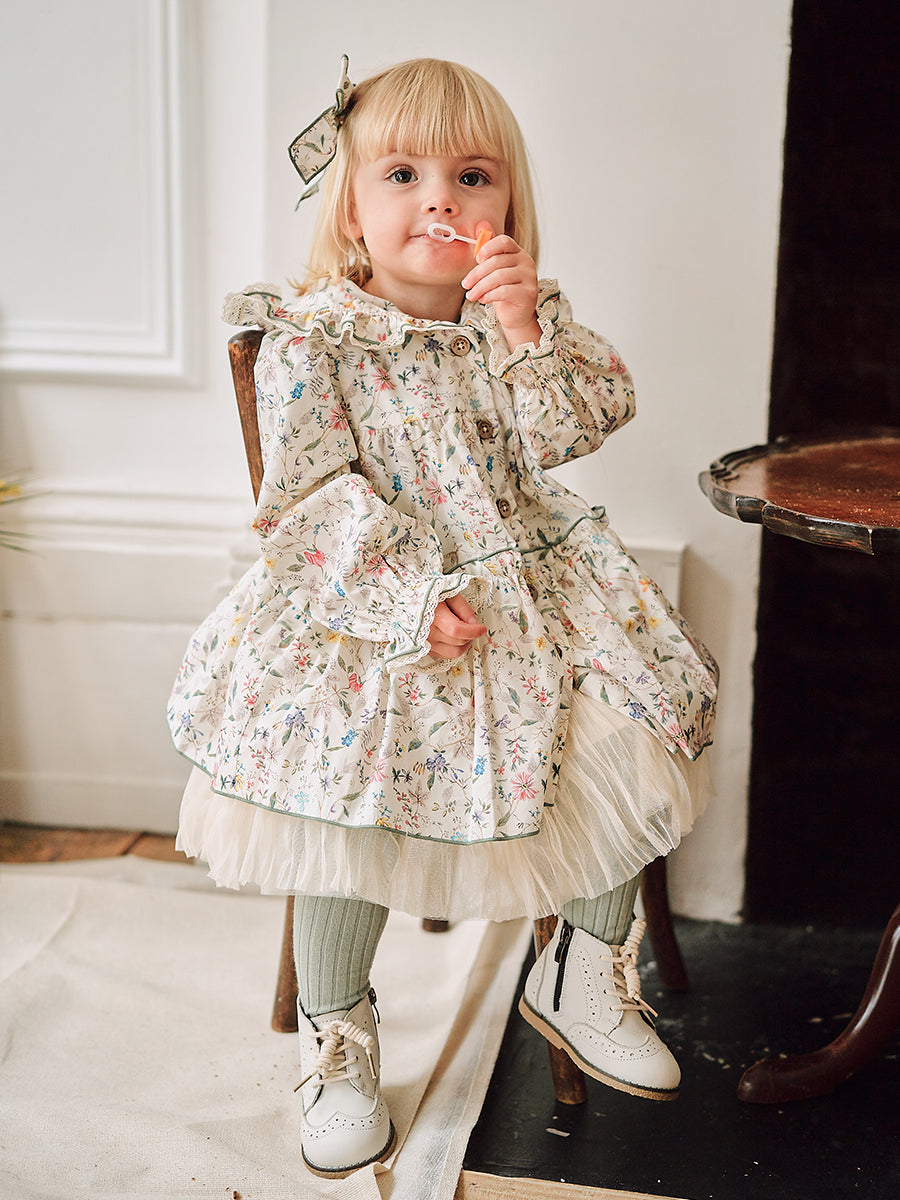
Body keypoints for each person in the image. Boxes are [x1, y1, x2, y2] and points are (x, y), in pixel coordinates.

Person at [168, 56, 718, 1179]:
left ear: (507, 203)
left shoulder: (512, 319)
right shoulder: (315, 338)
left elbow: (572, 431)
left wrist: (521, 330)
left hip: (530, 584)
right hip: (369, 600)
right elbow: (308, 497)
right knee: (346, 791)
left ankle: (581, 970)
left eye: (472, 177)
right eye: (403, 176)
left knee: (636, 716)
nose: (440, 202)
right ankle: (337, 1036)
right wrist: (407, 592)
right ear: (351, 211)